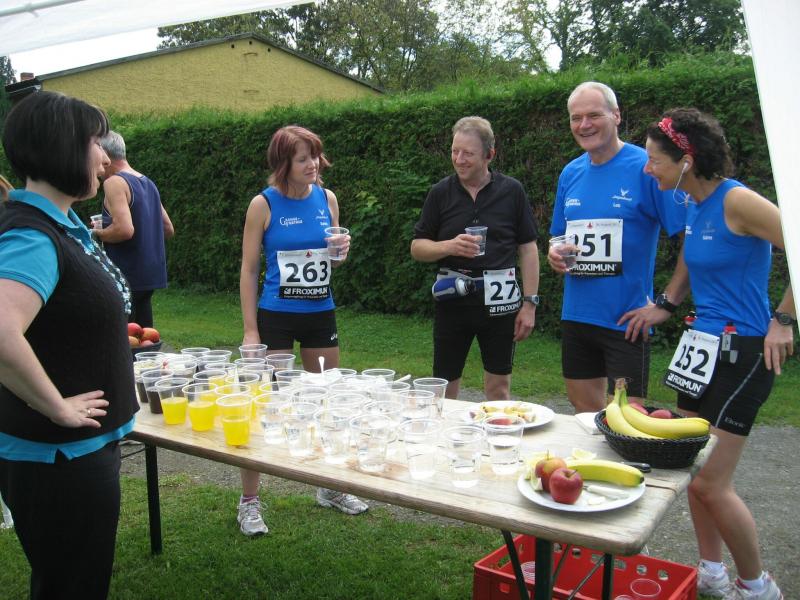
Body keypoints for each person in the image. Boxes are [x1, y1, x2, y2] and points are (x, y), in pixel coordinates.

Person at [638, 108, 788, 600]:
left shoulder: (737, 200)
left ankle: (758, 586)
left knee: (710, 481)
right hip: (699, 347)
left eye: (655, 160)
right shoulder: (691, 201)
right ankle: (711, 572)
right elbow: (690, 257)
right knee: (691, 469)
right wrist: (666, 304)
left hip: (744, 351)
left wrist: (784, 320)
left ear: (686, 159)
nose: (647, 169)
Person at [0, 91, 139, 599]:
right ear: (62, 148)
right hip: (57, 458)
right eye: (95, 143)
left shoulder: (63, 225)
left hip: (78, 454)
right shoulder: (33, 237)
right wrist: (55, 406)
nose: (105, 157)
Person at [238, 125, 367, 536]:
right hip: (276, 313)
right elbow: (249, 269)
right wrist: (251, 330)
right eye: (302, 158)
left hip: (319, 312)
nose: (313, 164)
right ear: (283, 164)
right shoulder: (263, 204)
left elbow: (332, 256)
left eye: (315, 155)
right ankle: (249, 501)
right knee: (266, 406)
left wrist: (340, 254)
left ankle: (330, 487)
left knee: (326, 398)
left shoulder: (327, 199)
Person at [548, 81, 687, 413]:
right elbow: (557, 236)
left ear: (616, 116)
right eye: (576, 118)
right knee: (584, 414)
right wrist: (554, 252)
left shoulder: (647, 168)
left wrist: (667, 303)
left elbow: (691, 238)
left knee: (626, 417)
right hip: (578, 316)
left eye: (594, 115)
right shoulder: (570, 172)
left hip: (626, 321)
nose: (584, 125)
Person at [411, 116, 540, 401]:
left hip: (499, 302)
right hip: (453, 300)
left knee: (499, 386)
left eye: (468, 153)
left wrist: (530, 304)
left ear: (489, 155)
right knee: (444, 387)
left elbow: (528, 248)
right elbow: (417, 247)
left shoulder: (512, 191)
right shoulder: (440, 192)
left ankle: (498, 430)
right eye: (454, 151)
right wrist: (449, 246)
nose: (459, 159)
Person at [95, 130, 174, 328]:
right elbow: (168, 228)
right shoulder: (147, 182)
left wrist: (97, 233)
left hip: (126, 274)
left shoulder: (114, 182)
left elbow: (124, 230)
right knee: (145, 336)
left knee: (123, 337)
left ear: (105, 154)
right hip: (150, 275)